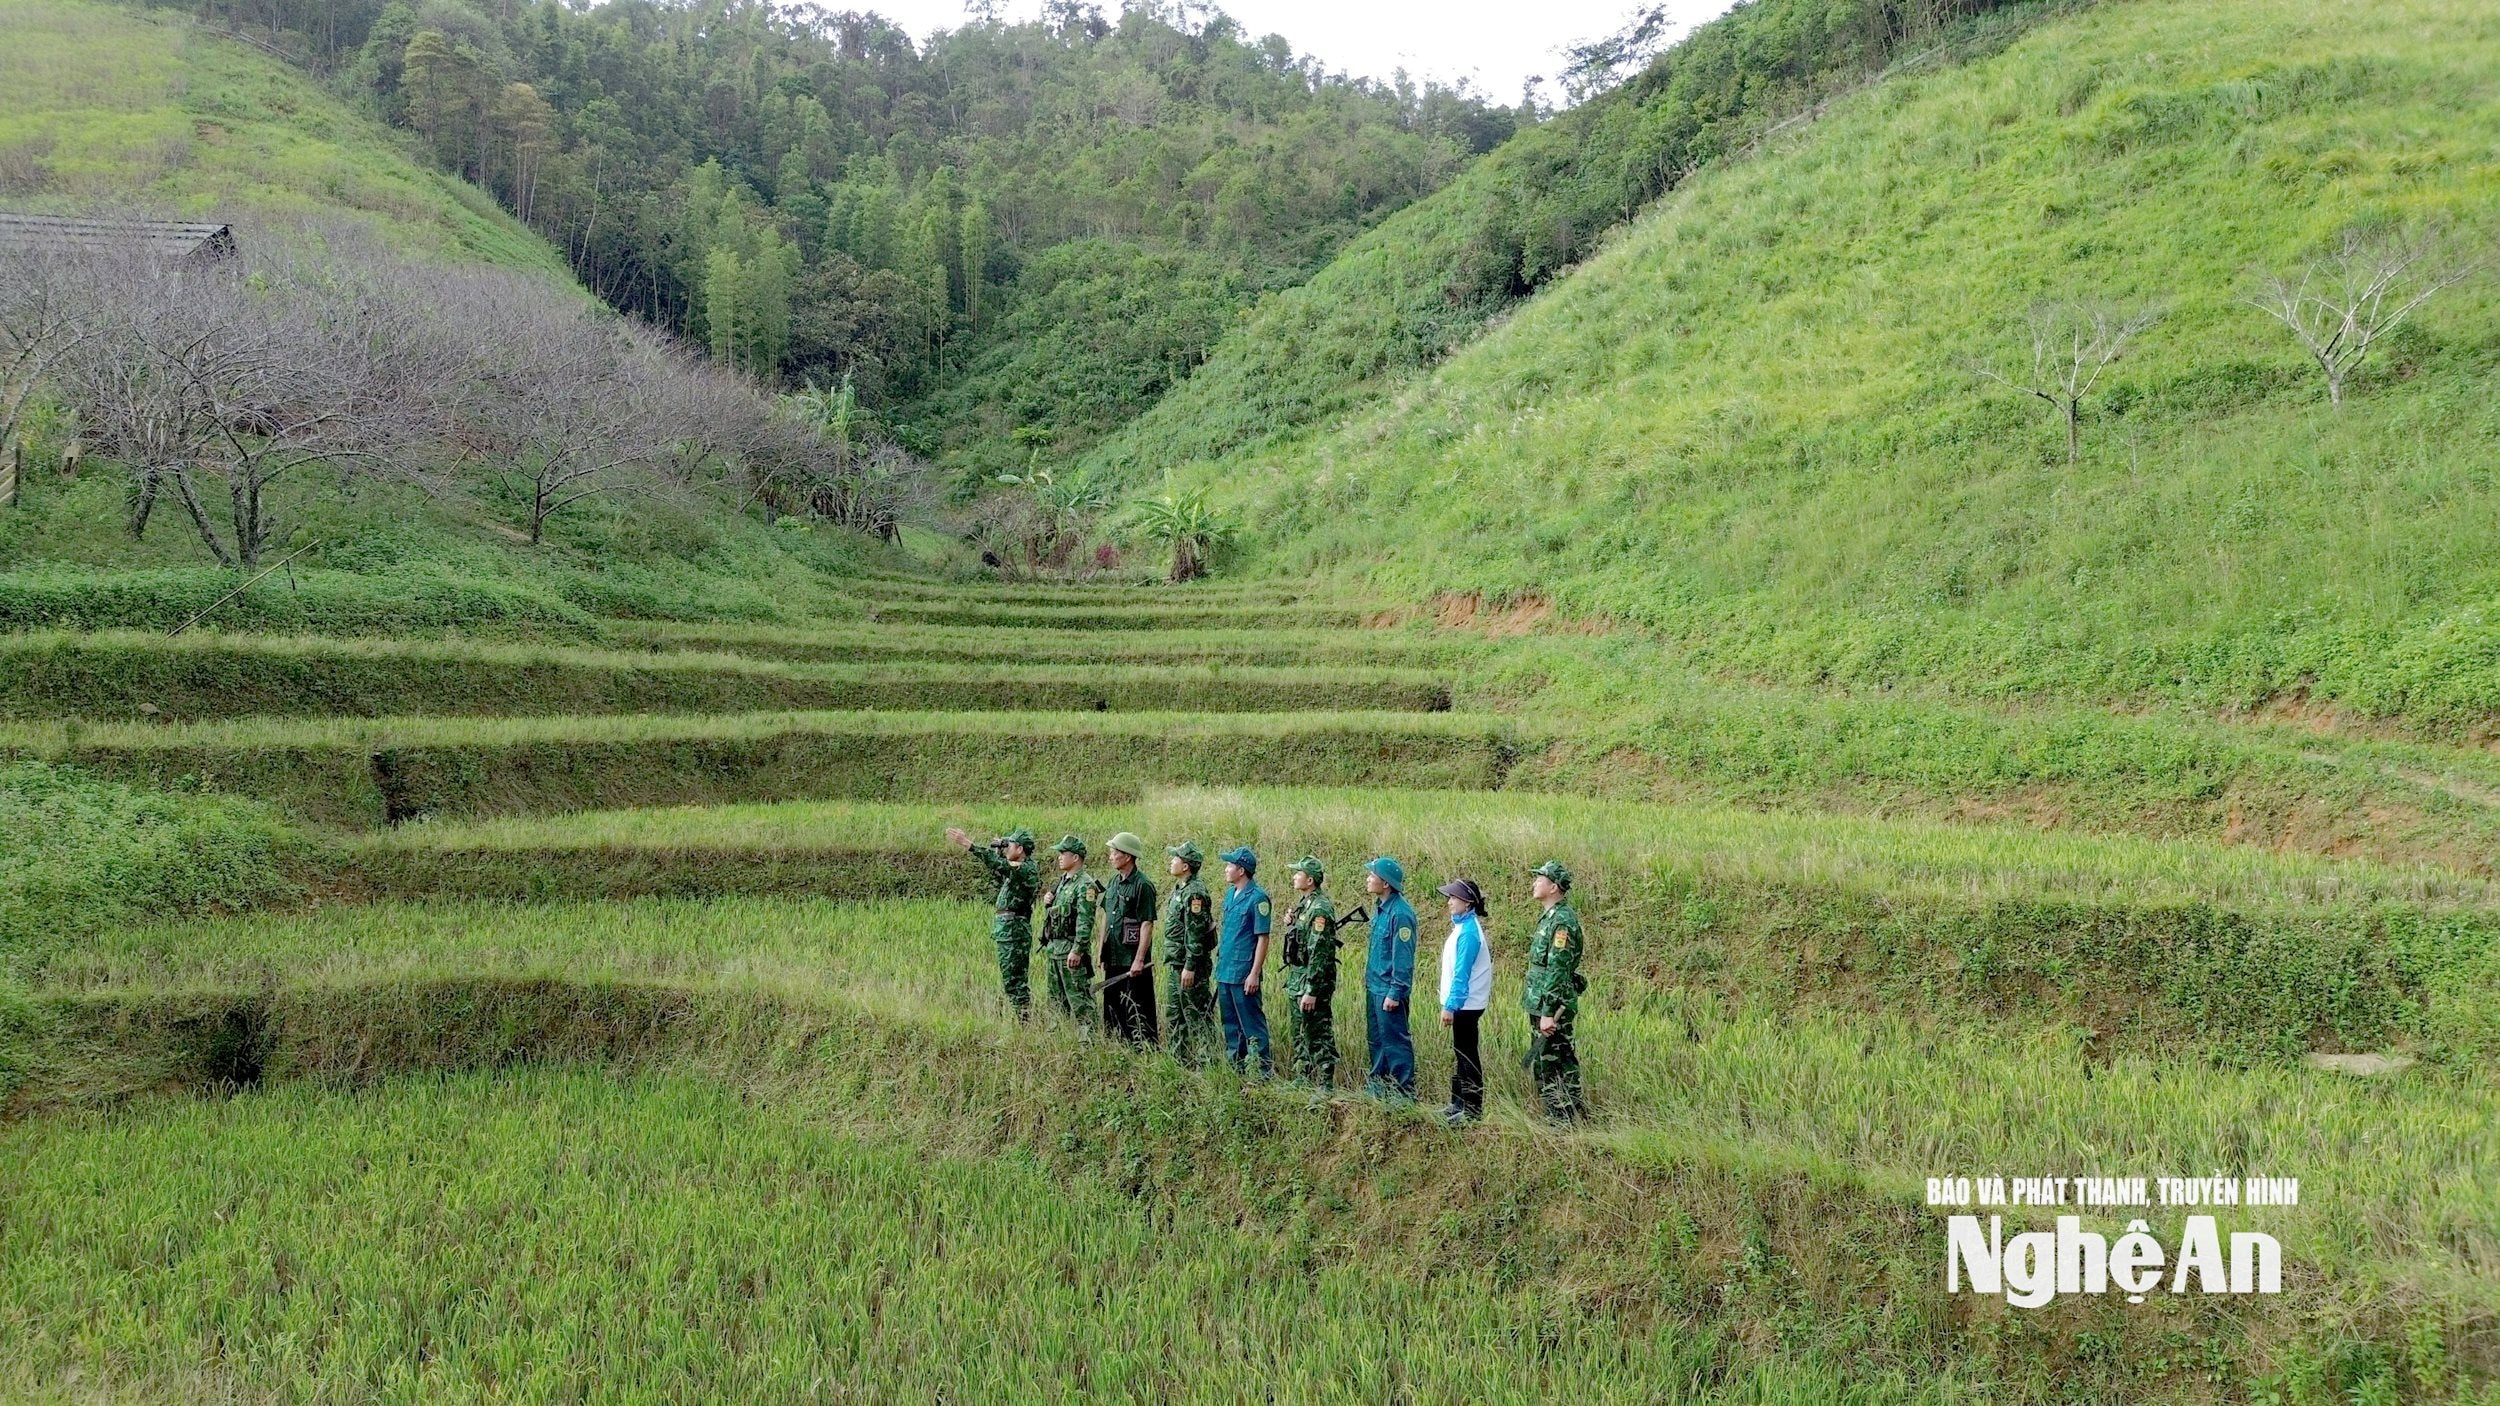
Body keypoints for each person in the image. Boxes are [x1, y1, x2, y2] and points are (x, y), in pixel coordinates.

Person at [945, 823, 1040, 1019]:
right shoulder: (1016, 871)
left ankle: (1024, 1019)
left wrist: (969, 844)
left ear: (1020, 849)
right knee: (1010, 979)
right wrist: (999, 851)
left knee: (1015, 981)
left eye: (1010, 845)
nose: (1007, 849)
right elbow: (999, 872)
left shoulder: (1026, 868)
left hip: (1014, 931)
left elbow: (1001, 866)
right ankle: (1022, 1018)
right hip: (1008, 930)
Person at [1521, 859, 1588, 1123]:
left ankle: (1562, 1118)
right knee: (1546, 1059)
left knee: (1554, 1060)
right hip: (1540, 1001)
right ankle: (1562, 1114)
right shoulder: (1550, 918)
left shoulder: (1562, 923)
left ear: (1554, 887)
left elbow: (1558, 970)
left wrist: (1548, 1012)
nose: (1534, 883)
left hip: (1552, 1005)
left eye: (1540, 879)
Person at [1434, 877, 1493, 1125]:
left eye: (1454, 898)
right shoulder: (1463, 927)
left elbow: (1462, 974)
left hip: (1466, 1005)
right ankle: (1458, 1104)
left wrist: (1450, 1006)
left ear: (1467, 903)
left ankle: (1472, 1110)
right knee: (1461, 1052)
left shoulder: (1469, 932)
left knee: (1467, 1054)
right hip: (1464, 1003)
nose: (1449, 902)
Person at [1279, 855, 1341, 1091]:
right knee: (1299, 1031)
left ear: (1310, 880)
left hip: (1312, 981)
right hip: (1298, 978)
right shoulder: (1304, 904)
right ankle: (1302, 1078)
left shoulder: (1320, 908)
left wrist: (1312, 990)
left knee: (1317, 1031)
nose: (1294, 876)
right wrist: (1291, 922)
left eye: (1299, 873)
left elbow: (1319, 953)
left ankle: (1326, 1084)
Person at [1213, 846, 1276, 1077]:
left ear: (1241, 870)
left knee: (1251, 1025)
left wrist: (1254, 973)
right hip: (1225, 970)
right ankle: (1236, 1069)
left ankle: (1261, 1072)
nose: (1226, 869)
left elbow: (1262, 938)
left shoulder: (1258, 898)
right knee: (1230, 1024)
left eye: (1230, 865)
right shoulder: (1231, 894)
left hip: (1243, 972)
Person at [1361, 856, 1419, 1102]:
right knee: (1376, 1040)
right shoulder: (1380, 909)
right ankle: (1379, 1086)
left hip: (1388, 990)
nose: (1368, 879)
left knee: (1395, 1042)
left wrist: (1395, 992)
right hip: (1375, 987)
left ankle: (1405, 1093)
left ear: (1385, 883)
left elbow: (1403, 959)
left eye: (1372, 875)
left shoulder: (1401, 914)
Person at [1160, 841, 1220, 1066]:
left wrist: (1190, 966)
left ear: (1186, 866)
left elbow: (1195, 934)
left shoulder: (1195, 893)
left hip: (1190, 966)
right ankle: (1178, 1061)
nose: (1171, 862)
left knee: (1197, 1016)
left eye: (1175, 858)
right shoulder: (1181, 889)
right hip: (1176, 963)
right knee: (1175, 1015)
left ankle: (1207, 1064)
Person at [1097, 832, 1159, 1046]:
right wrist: (1101, 950)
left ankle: (1143, 1048)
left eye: (1114, 852)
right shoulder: (1113, 882)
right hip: (1113, 956)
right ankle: (1116, 1046)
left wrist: (1139, 959)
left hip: (1131, 959)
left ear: (1127, 856)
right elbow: (1106, 917)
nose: (1110, 857)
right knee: (1113, 1006)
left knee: (1137, 1004)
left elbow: (1147, 923)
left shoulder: (1143, 885)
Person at [1041, 834, 1104, 1031]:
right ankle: (1058, 1037)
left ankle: (1088, 1041)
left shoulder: (1085, 885)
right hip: (1055, 949)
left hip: (1070, 950)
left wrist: (1077, 950)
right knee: (1055, 1000)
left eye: (1063, 853)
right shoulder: (1062, 883)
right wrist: (1047, 903)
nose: (1059, 857)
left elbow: (1085, 921)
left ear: (1075, 857)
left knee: (1080, 1000)